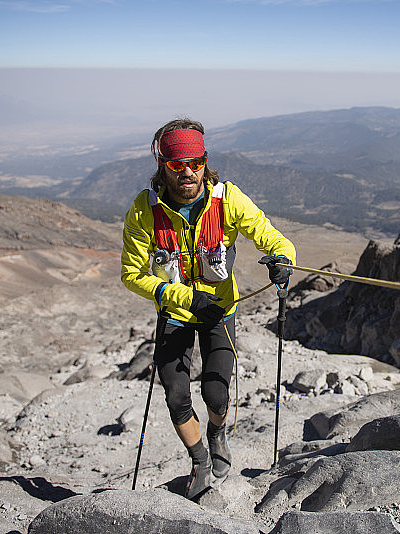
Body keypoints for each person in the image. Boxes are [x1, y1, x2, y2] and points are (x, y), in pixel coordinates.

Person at [121, 118, 295, 500]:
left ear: (205, 161)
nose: (188, 172)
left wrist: (283, 257)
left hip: (219, 310)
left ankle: (217, 434)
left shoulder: (226, 198)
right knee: (175, 396)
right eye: (176, 165)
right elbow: (131, 275)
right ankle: (199, 459)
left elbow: (267, 233)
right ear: (163, 166)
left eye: (195, 163)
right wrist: (181, 296)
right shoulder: (144, 210)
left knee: (216, 394)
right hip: (175, 313)